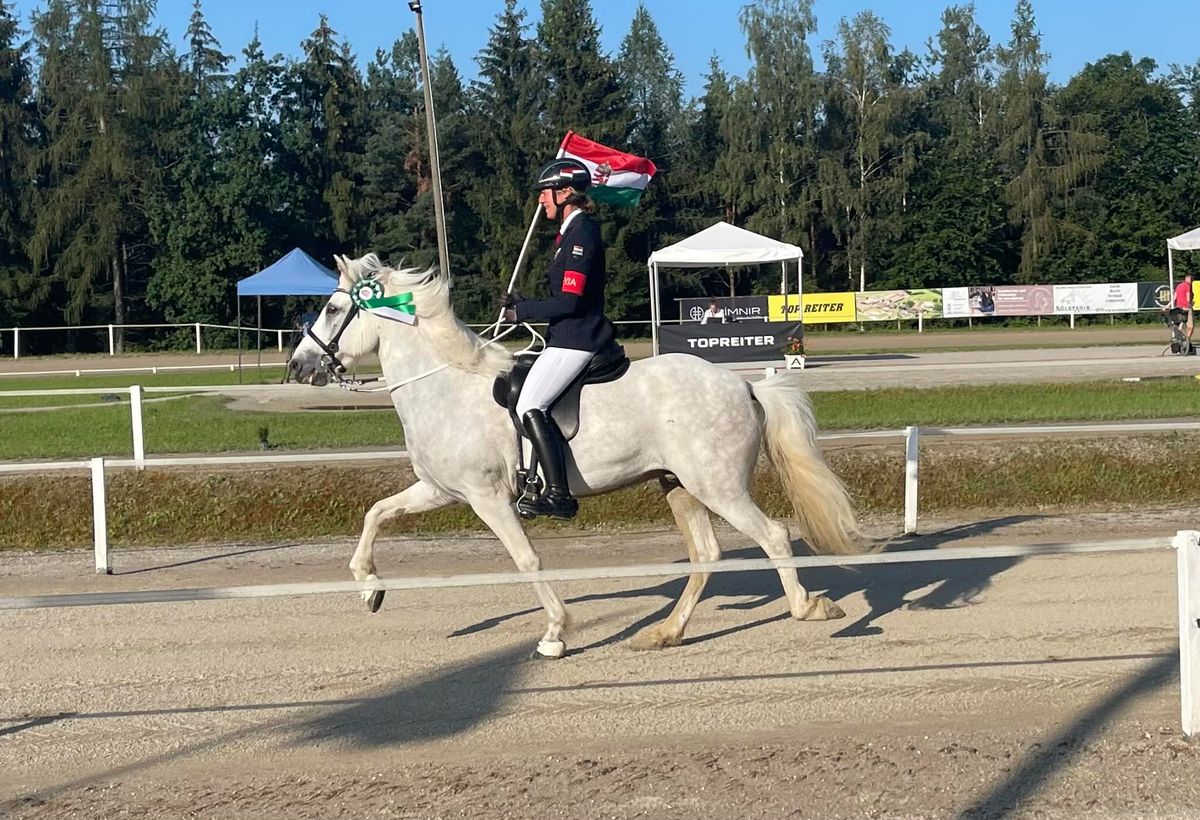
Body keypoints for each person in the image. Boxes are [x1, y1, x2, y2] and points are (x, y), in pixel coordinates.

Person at [501, 158, 618, 520]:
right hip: (564, 336)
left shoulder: (582, 233)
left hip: (578, 339)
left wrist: (524, 312)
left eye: (545, 193)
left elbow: (570, 301)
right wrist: (526, 306)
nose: (541, 201)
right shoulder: (569, 232)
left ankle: (558, 492)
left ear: (565, 192)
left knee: (530, 404)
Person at [1174, 271, 1194, 342]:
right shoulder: (1188, 286)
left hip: (1178, 307)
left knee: (1182, 320)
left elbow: (1174, 298)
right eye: (1191, 279)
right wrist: (1191, 304)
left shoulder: (1178, 286)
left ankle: (1180, 333)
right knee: (1190, 326)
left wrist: (1167, 306)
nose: (1192, 281)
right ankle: (1187, 341)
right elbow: (1188, 298)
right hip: (1186, 307)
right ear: (1188, 278)